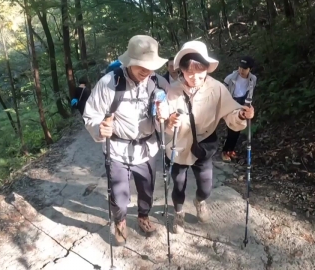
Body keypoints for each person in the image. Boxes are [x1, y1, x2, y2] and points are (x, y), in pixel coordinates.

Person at [156, 41, 255, 234]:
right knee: (178, 183)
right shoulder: (173, 90)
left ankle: (200, 201)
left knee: (206, 187)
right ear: (182, 71)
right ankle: (179, 212)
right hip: (179, 144)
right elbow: (164, 120)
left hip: (204, 144)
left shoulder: (217, 88)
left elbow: (231, 111)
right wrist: (168, 121)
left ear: (206, 68)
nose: (194, 76)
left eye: (199, 70)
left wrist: (242, 115)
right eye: (189, 71)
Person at [82, 35, 170, 246]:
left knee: (147, 191)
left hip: (148, 149)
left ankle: (143, 216)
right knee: (119, 197)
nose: (146, 70)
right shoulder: (109, 84)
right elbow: (90, 115)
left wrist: (163, 117)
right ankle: (120, 220)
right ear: (129, 61)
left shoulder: (159, 82)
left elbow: (167, 116)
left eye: (150, 65)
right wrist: (99, 128)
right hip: (117, 150)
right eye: (141, 65)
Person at [221, 56, 257, 161]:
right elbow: (223, 93)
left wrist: (248, 105)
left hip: (243, 103)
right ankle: (225, 151)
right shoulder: (230, 78)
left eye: (244, 68)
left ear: (250, 69)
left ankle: (231, 150)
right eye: (240, 67)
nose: (241, 70)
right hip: (231, 102)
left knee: (239, 128)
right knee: (232, 128)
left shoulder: (252, 79)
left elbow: (250, 93)